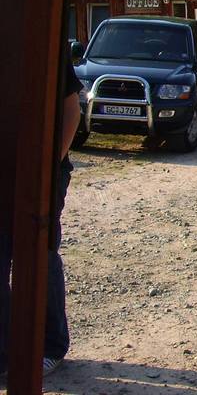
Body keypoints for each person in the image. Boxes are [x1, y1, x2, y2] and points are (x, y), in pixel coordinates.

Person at [0, 50, 82, 380]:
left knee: (39, 257)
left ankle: (50, 346)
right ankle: (6, 353)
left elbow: (71, 109)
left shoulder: (40, 38)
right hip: (4, 171)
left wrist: (49, 167)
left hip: (42, 172)